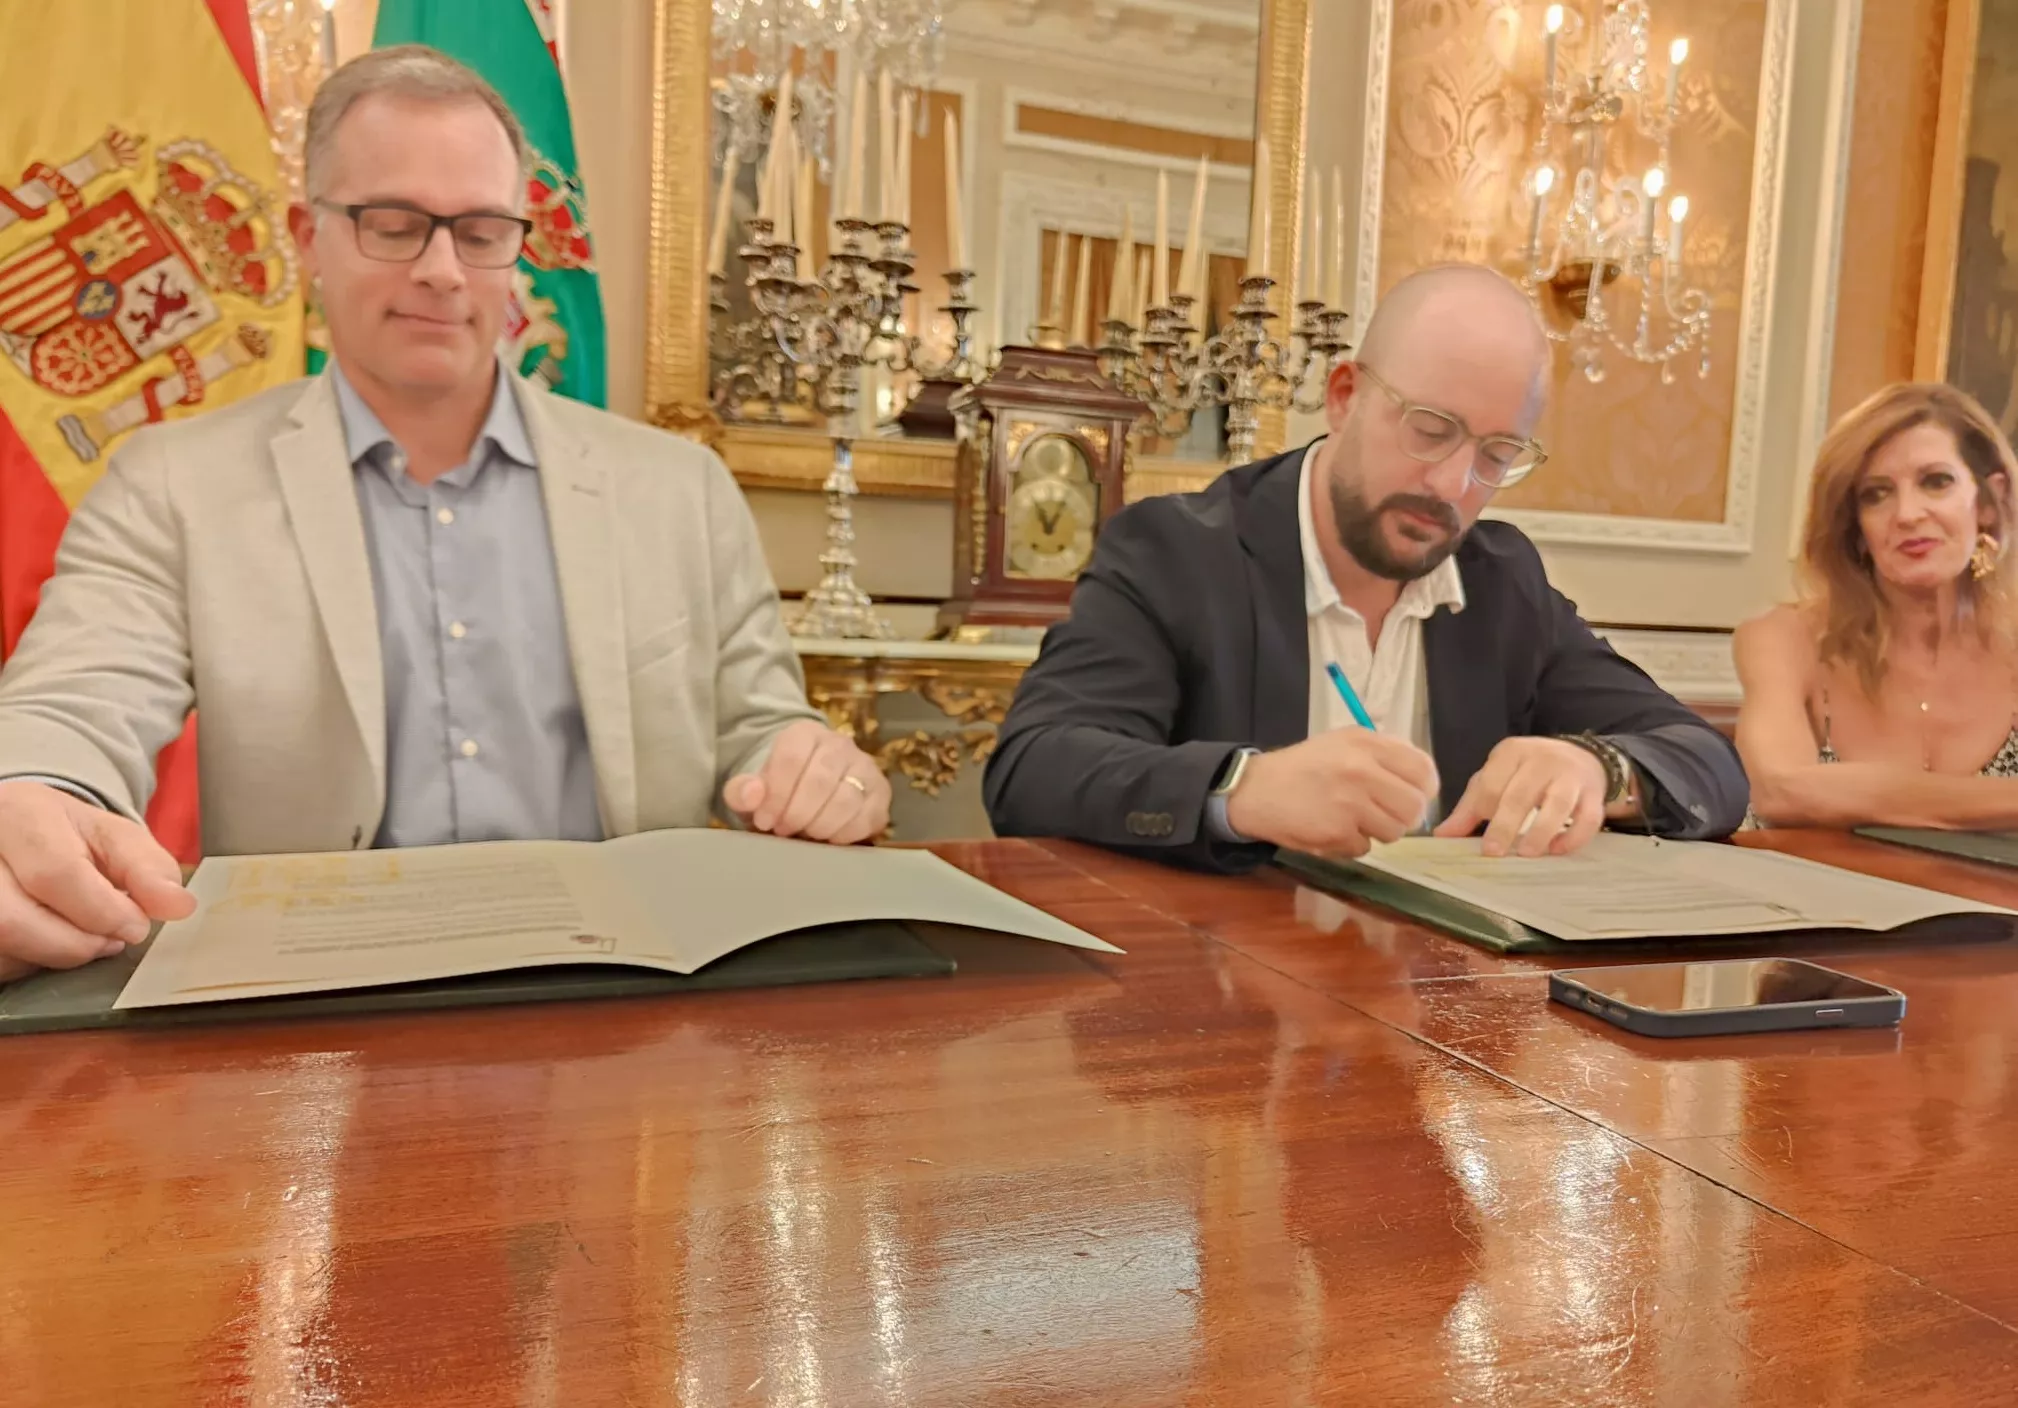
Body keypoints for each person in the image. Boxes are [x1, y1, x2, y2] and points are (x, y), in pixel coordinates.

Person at [0, 45, 890, 978]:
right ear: (309, 237)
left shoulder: (678, 490)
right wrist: (34, 789)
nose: (441, 269)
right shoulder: (172, 487)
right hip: (312, 1014)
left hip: (622, 1013)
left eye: (478, 230)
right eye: (393, 224)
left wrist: (807, 770)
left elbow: (761, 732)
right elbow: (70, 707)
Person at [983, 263, 1747, 873]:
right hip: (1227, 1008)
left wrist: (1598, 768)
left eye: (1495, 456)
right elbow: (1034, 770)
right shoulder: (1178, 551)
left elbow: (1708, 763)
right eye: (1429, 429)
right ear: (1345, 397)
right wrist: (1241, 790)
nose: (1453, 485)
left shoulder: (1502, 581)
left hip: (1449, 1021)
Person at [1735, 382, 2018, 828]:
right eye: (1876, 494)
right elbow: (1780, 790)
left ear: (1988, 500)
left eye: (1936, 482)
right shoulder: (1782, 638)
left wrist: (1863, 793)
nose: (1907, 513)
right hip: (1819, 894)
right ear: (1854, 524)